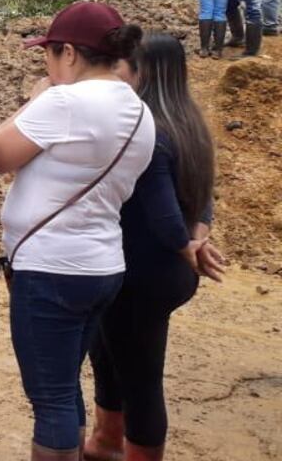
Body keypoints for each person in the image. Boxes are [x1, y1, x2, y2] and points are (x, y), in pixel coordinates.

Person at [0, 1, 154, 461]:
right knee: (65, 382)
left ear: (70, 54)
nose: (46, 62)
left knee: (52, 397)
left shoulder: (63, 102)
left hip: (51, 270)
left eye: (49, 53)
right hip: (102, 266)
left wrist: (38, 96)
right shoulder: (140, 112)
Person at [83, 34, 227, 461]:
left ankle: (135, 450)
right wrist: (197, 240)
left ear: (143, 72)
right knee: (108, 350)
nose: (119, 73)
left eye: (126, 66)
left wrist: (186, 244)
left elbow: (164, 217)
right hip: (167, 268)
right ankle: (107, 440)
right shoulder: (192, 125)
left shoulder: (152, 132)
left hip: (145, 270)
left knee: (141, 375)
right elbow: (204, 199)